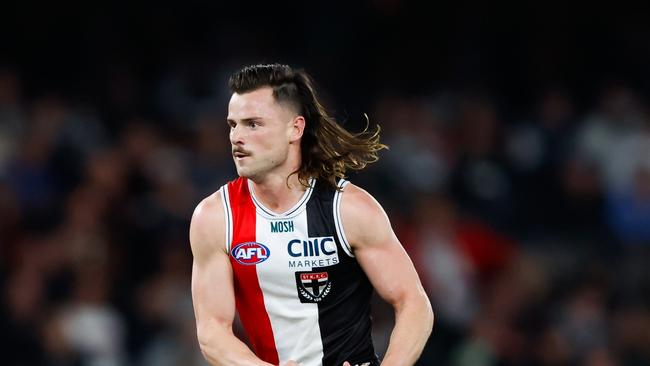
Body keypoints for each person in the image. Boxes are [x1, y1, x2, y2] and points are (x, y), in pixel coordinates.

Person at [189, 63, 433, 366]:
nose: (237, 137)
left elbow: (413, 302)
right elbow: (212, 330)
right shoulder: (214, 217)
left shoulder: (349, 209)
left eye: (252, 124)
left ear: (296, 128)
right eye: (232, 124)